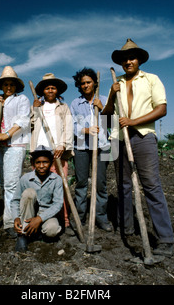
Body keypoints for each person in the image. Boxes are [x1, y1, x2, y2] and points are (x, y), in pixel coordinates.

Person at [101, 38, 174, 257]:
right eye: (125, 59)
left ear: (139, 60)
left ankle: (165, 239)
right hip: (119, 138)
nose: (128, 62)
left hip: (143, 137)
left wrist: (133, 122)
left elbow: (162, 109)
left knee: (151, 186)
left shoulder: (151, 79)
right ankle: (127, 229)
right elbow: (105, 118)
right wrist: (112, 95)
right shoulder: (117, 84)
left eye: (132, 58)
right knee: (123, 186)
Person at [0, 66, 30, 238]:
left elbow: (23, 121)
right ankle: (7, 215)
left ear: (16, 86)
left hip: (14, 146)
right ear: (1, 86)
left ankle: (11, 222)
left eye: (11, 84)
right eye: (5, 84)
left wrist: (6, 134)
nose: (8, 87)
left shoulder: (21, 99)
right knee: (2, 184)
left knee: (12, 185)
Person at [70, 67, 112, 232]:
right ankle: (79, 217)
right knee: (81, 183)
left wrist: (102, 108)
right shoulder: (75, 103)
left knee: (100, 183)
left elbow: (112, 123)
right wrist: (86, 130)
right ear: (79, 86)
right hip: (81, 147)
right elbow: (71, 125)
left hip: (102, 147)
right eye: (82, 83)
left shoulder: (104, 99)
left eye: (88, 82)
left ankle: (101, 218)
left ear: (95, 83)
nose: (86, 85)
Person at [31, 73, 74, 230]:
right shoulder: (37, 106)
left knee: (60, 187)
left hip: (57, 152)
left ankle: (64, 219)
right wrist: (35, 110)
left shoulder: (63, 107)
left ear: (57, 91)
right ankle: (42, 219)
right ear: (43, 91)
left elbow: (68, 127)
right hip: (40, 153)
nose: (50, 90)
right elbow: (29, 125)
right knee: (40, 187)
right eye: (47, 88)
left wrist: (63, 144)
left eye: (53, 88)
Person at [11, 146, 63, 252]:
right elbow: (15, 200)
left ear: (51, 163)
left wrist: (39, 219)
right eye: (38, 162)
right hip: (28, 213)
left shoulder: (56, 179)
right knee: (29, 193)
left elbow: (58, 204)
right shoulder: (25, 178)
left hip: (46, 214)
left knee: (52, 230)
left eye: (45, 162)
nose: (41, 166)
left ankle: (37, 232)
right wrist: (16, 217)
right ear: (33, 163)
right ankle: (23, 236)